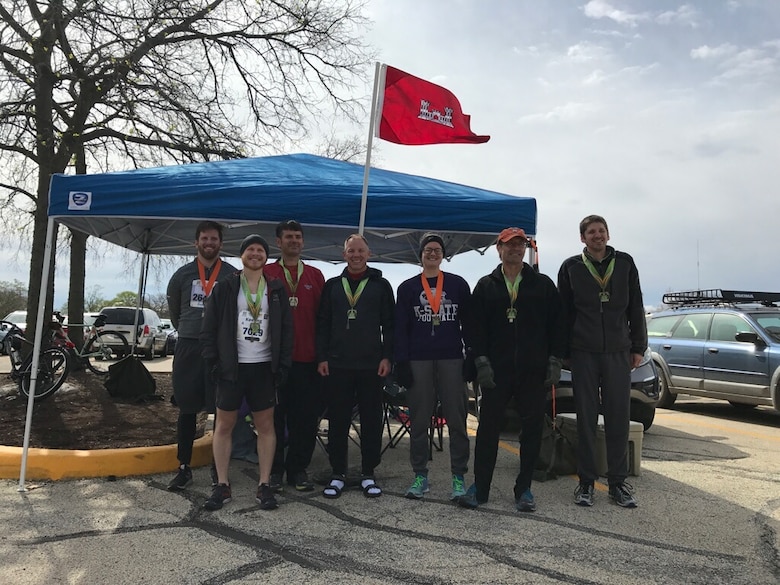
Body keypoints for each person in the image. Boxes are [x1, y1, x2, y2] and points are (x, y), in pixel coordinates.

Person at [458, 227, 564, 512]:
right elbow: (473, 328)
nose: (516, 249)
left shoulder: (542, 284)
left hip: (533, 371)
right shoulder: (485, 285)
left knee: (531, 431)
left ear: (525, 249)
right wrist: (480, 361)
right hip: (496, 371)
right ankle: (480, 488)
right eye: (510, 245)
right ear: (499, 249)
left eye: (521, 244)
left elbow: (557, 326)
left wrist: (555, 360)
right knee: (488, 431)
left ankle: (524, 489)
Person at [557, 215, 647, 508]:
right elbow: (564, 312)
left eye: (601, 231)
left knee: (618, 416)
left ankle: (618, 483)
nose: (597, 236)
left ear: (608, 234)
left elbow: (636, 305)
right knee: (585, 416)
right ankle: (586, 482)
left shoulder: (624, 263)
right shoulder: (571, 267)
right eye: (591, 232)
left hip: (618, 351)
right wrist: (564, 351)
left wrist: (638, 347)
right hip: (583, 351)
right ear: (582, 238)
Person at [200, 234, 293, 510]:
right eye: (250, 249)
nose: (255, 253)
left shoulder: (276, 289)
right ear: (241, 255)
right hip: (232, 369)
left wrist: (283, 365)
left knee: (266, 427)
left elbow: (287, 331)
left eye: (260, 250)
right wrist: (213, 363)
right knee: (224, 426)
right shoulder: (226, 287)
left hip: (264, 368)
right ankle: (222, 485)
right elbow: (210, 328)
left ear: (266, 256)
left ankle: (264, 485)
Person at [394, 233, 472, 500]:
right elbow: (400, 329)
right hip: (419, 359)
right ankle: (419, 475)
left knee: (457, 420)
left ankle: (458, 477)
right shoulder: (407, 288)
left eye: (437, 250)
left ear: (443, 255)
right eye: (428, 250)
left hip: (451, 357)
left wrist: (471, 355)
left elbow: (469, 324)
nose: (432, 254)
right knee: (418, 420)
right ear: (421, 254)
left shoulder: (458, 284)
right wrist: (400, 361)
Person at [316, 233, 394, 499]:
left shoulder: (381, 285)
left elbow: (390, 326)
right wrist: (322, 357)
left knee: (372, 421)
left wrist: (387, 357)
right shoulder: (332, 286)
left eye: (361, 251)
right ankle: (338, 473)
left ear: (369, 254)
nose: (356, 255)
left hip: (372, 365)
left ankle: (368, 473)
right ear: (344, 254)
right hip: (338, 364)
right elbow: (323, 324)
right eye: (351, 251)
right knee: (338, 420)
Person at [166, 221, 238, 491]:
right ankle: (183, 466)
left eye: (214, 239)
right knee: (186, 407)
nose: (209, 243)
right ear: (196, 242)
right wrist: (188, 327)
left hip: (219, 348)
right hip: (189, 345)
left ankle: (217, 469)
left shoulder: (231, 274)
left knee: (220, 409)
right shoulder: (182, 275)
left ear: (220, 243)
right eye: (204, 239)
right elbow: (174, 308)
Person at [264, 220, 325, 493]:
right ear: (278, 242)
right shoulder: (266, 272)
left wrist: (323, 356)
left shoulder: (315, 275)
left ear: (303, 242)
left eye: (298, 237)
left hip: (307, 359)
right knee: (274, 418)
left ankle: (298, 469)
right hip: (273, 360)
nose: (294, 241)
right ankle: (274, 470)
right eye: (288, 237)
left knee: (305, 418)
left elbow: (324, 321)